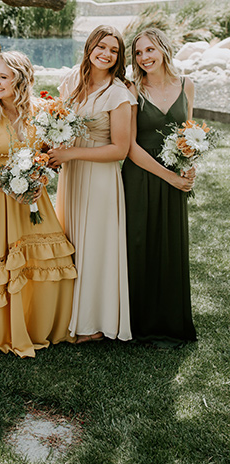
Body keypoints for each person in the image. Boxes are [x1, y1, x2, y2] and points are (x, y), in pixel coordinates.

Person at [0, 51, 77, 358]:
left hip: (33, 196)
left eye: (3, 77)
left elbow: (48, 154)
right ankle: (3, 331)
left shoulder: (40, 111)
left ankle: (38, 325)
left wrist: (39, 178)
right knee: (3, 262)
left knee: (39, 260)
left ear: (21, 80)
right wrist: (6, 187)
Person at [48, 25, 135, 344]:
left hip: (100, 178)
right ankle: (68, 313)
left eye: (113, 50)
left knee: (96, 247)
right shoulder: (72, 80)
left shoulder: (118, 94)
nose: (106, 54)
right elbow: (56, 121)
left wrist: (71, 153)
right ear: (89, 47)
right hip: (71, 176)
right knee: (70, 239)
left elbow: (120, 149)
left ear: (118, 57)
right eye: (101, 46)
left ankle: (95, 322)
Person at [122, 28, 197, 347]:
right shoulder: (132, 88)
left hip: (176, 176)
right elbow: (130, 146)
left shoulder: (187, 85)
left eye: (149, 50)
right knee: (139, 244)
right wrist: (169, 177)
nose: (144, 58)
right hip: (141, 174)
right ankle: (139, 324)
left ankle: (171, 321)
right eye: (138, 53)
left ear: (164, 49)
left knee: (171, 243)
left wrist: (190, 165)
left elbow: (189, 133)